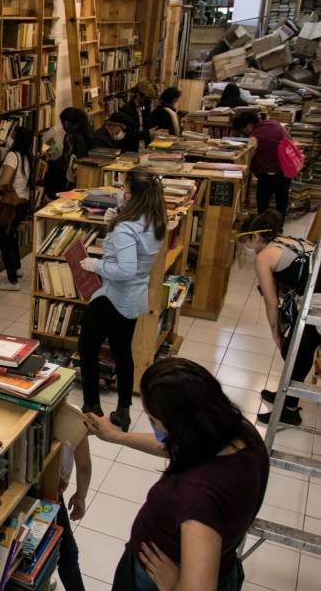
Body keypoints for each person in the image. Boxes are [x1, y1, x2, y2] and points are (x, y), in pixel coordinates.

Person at [85, 358, 269, 591]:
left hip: (153, 581)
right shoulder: (239, 433)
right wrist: (116, 436)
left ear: (181, 426)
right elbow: (183, 446)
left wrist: (174, 585)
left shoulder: (198, 497)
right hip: (223, 564)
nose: (153, 427)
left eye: (153, 421)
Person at [78, 168, 166, 430]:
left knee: (87, 348)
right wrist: (114, 221)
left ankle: (92, 406)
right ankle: (123, 411)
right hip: (135, 298)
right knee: (122, 352)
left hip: (113, 296)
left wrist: (96, 265)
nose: (121, 192)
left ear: (136, 195)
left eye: (126, 189)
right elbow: (135, 259)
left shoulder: (127, 228)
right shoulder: (154, 219)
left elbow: (124, 269)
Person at [238, 210, 319, 426]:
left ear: (255, 237)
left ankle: (289, 409)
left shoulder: (264, 257)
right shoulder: (284, 240)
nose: (244, 245)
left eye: (244, 239)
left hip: (317, 303)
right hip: (314, 295)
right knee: (299, 349)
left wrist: (275, 333)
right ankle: (286, 395)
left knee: (295, 351)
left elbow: (271, 302)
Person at [52, 402, 92, 591]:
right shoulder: (75, 416)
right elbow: (84, 466)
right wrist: (80, 496)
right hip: (52, 493)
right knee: (68, 553)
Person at [0, 127, 34, 291]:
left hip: (10, 205)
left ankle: (12, 280)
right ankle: (17, 267)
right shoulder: (26, 156)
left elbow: (4, 181)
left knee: (5, 240)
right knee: (12, 235)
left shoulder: (12, 156)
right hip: (22, 202)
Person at [233, 111, 291, 215]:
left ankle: (262, 227)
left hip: (270, 173)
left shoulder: (256, 137)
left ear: (249, 125)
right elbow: (289, 139)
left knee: (263, 202)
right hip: (287, 167)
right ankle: (278, 228)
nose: (245, 133)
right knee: (282, 200)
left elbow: (249, 160)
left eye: (244, 130)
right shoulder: (273, 123)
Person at [43, 108, 92, 199]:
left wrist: (49, 160)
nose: (62, 126)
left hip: (70, 177)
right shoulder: (86, 133)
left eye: (63, 123)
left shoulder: (71, 137)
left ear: (68, 123)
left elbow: (65, 162)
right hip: (82, 175)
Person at [118, 79, 159, 152]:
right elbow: (126, 135)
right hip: (130, 151)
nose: (149, 102)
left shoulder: (145, 107)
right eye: (147, 99)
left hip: (144, 149)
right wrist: (147, 133)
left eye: (150, 100)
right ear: (138, 94)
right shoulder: (126, 110)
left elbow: (147, 126)